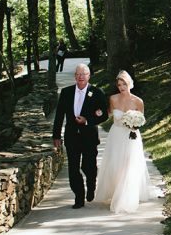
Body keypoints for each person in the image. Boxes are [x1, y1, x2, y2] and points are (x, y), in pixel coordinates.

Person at [95, 70, 157, 214]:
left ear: (130, 84)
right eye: (119, 84)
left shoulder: (138, 101)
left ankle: (124, 198)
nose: (122, 87)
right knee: (116, 165)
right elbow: (109, 114)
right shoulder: (113, 99)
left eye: (124, 84)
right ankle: (116, 192)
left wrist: (134, 123)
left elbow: (142, 119)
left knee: (128, 165)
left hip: (131, 137)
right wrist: (99, 113)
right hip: (116, 135)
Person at [52, 63, 109, 209]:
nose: (80, 77)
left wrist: (88, 120)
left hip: (89, 136)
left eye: (83, 74)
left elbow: (104, 115)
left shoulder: (97, 92)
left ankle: (91, 185)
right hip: (72, 137)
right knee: (73, 168)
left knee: (89, 166)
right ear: (74, 76)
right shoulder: (66, 92)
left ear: (89, 76)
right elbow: (59, 116)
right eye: (78, 74)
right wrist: (56, 136)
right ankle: (79, 196)